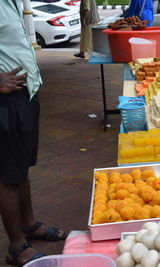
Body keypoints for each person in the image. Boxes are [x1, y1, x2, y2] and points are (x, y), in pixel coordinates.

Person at [0, 1, 67, 266]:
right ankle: (16, 246)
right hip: (7, 101)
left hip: (25, 93)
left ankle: (28, 224)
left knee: (21, 166)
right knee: (7, 175)